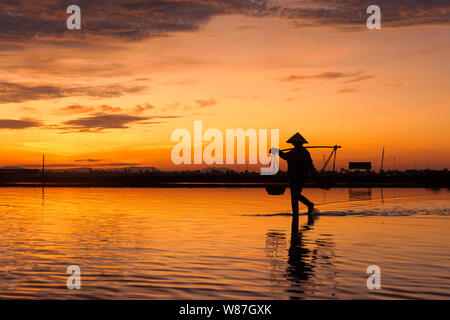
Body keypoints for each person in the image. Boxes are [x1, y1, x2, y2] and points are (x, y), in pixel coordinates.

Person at [272, 132, 315, 217]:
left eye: (295, 143)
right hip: (292, 176)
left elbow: (310, 164)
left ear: (298, 143)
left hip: (300, 176)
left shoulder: (303, 152)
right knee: (294, 196)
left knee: (295, 195)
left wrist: (277, 151)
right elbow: (285, 156)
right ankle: (296, 213)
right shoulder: (294, 152)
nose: (294, 144)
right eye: (294, 143)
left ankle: (309, 205)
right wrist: (276, 151)